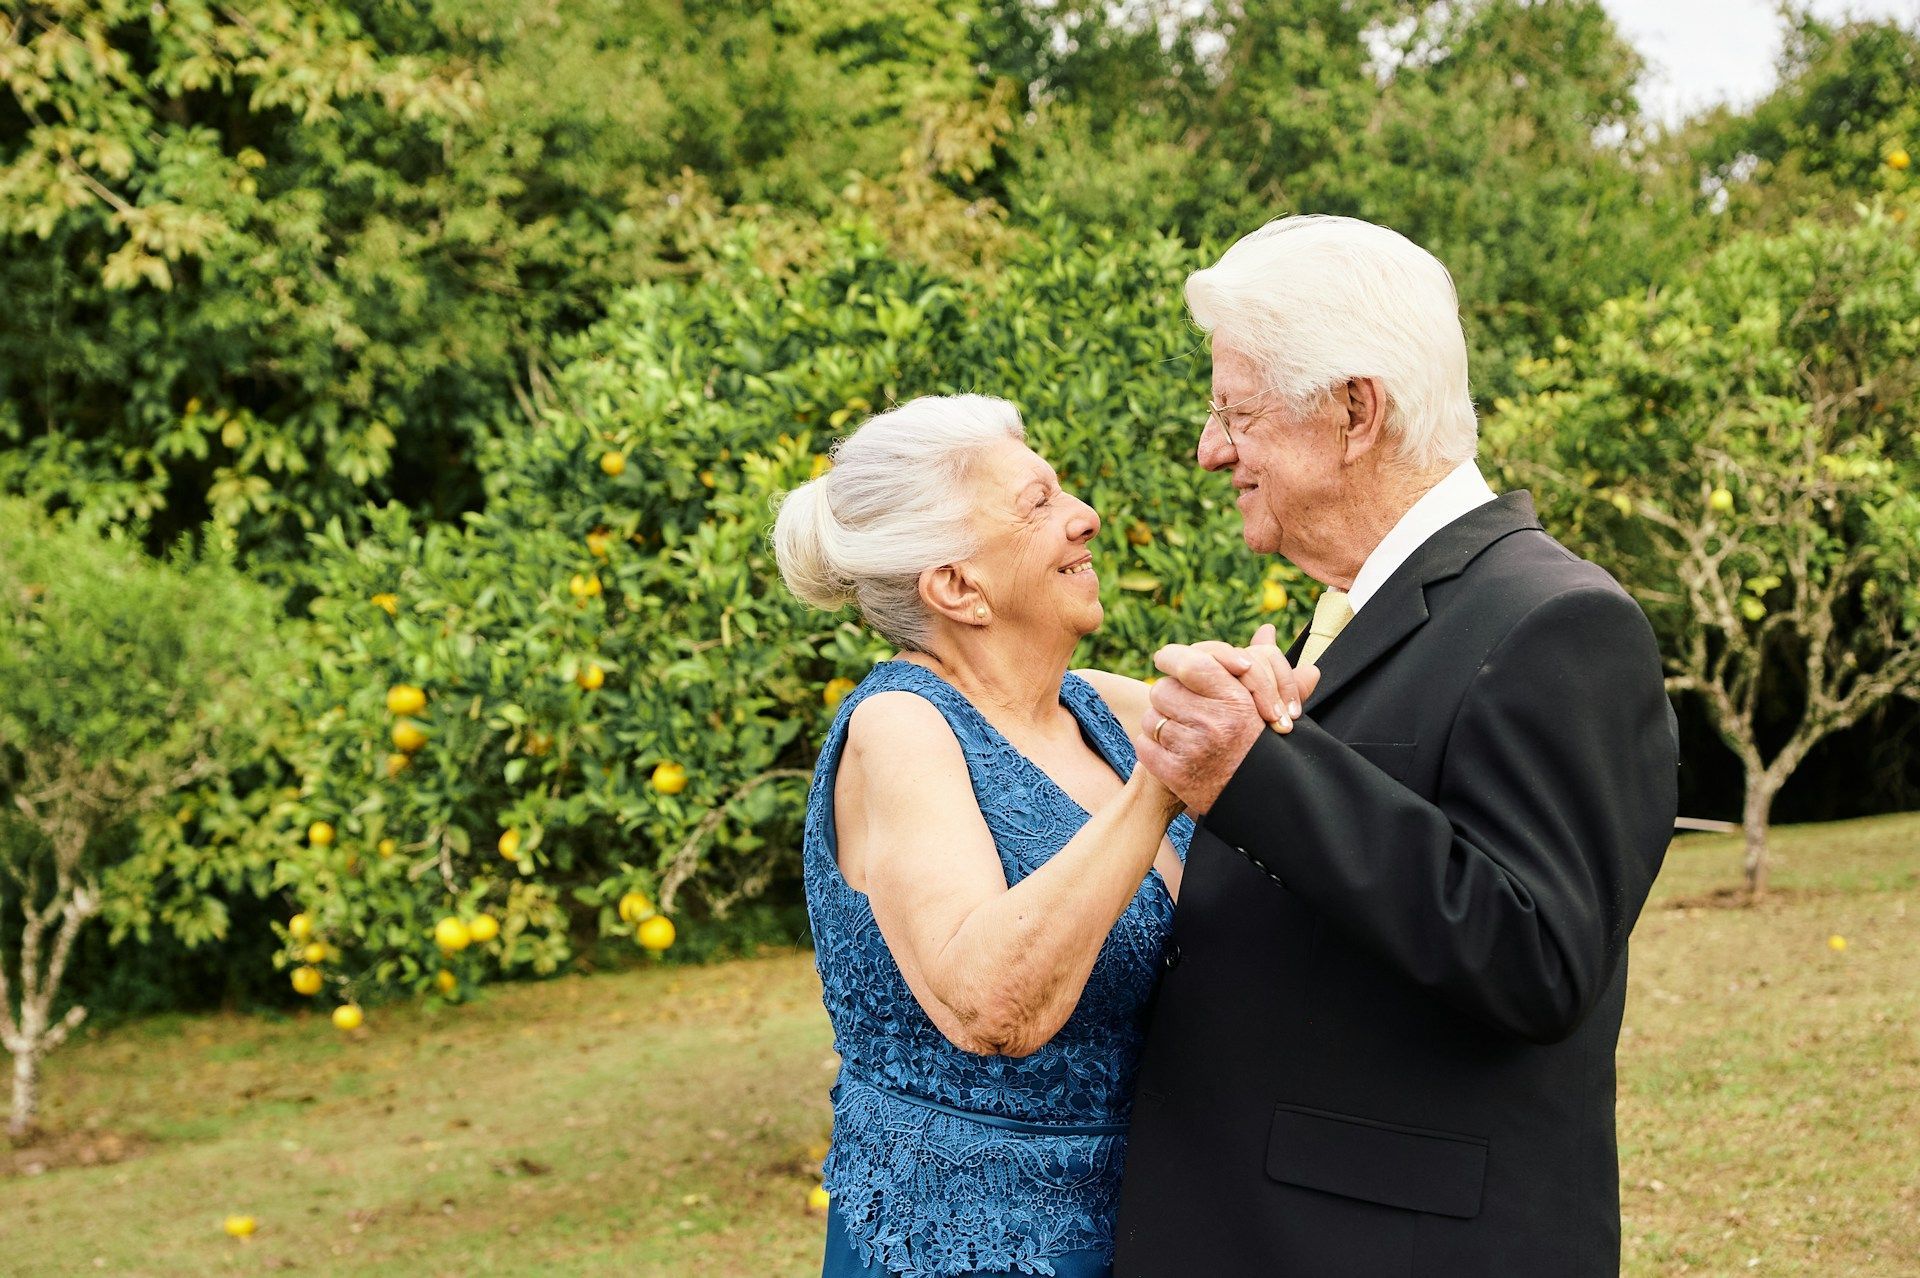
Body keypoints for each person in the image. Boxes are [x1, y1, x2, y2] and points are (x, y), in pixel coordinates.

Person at [1112, 215, 1680, 1277]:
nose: (1210, 449)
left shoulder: (1555, 620)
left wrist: (1255, 772)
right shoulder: (1363, 609)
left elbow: (1539, 958)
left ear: (1354, 412)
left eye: (1235, 412)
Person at [772, 394, 1308, 1278]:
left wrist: (1269, 697)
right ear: (957, 586)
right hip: (961, 1253)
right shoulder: (901, 729)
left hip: (1153, 1232)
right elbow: (989, 1005)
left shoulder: (1102, 707)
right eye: (1038, 503)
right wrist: (1153, 796)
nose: (1085, 516)